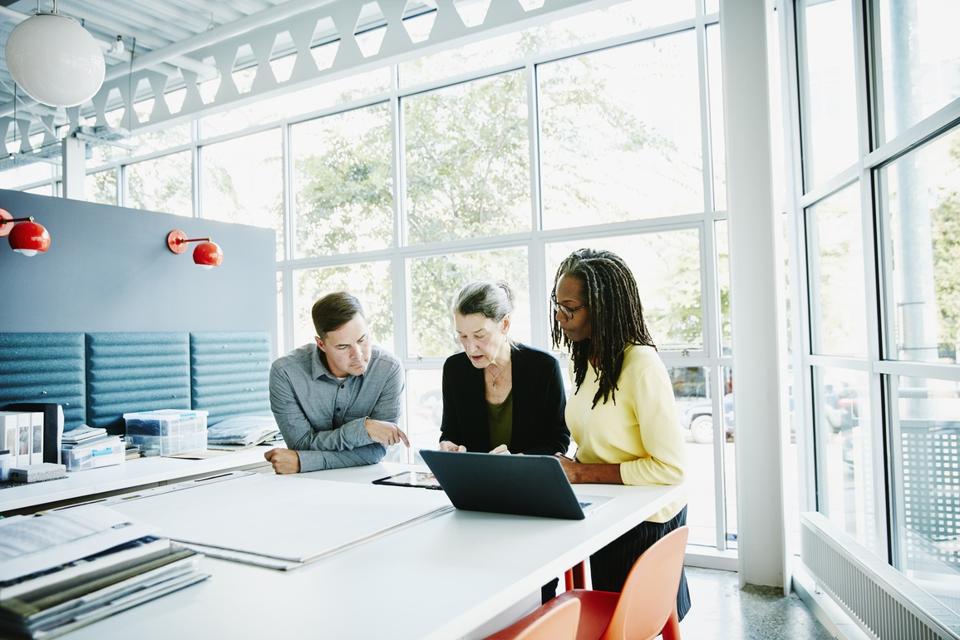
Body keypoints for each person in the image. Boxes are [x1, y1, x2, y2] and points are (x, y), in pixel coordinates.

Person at [550, 248, 690, 619]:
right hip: (609, 509)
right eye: (557, 306)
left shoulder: (641, 364)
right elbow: (600, 439)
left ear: (602, 309)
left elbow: (670, 468)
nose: (560, 317)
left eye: (570, 308)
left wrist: (582, 473)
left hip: (645, 523)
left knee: (620, 623)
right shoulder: (585, 360)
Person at [265, 291, 408, 474]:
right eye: (343, 346)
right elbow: (300, 444)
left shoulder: (389, 369)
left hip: (365, 478)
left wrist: (303, 462)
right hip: (306, 483)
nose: (358, 355)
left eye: (362, 340)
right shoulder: (285, 373)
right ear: (321, 344)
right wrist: (364, 429)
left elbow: (375, 450)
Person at [439, 281, 570, 456]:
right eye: (462, 336)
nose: (470, 348)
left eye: (479, 335)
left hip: (529, 474)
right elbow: (450, 433)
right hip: (472, 474)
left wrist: (520, 462)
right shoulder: (454, 369)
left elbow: (559, 441)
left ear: (505, 324)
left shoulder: (544, 368)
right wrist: (448, 445)